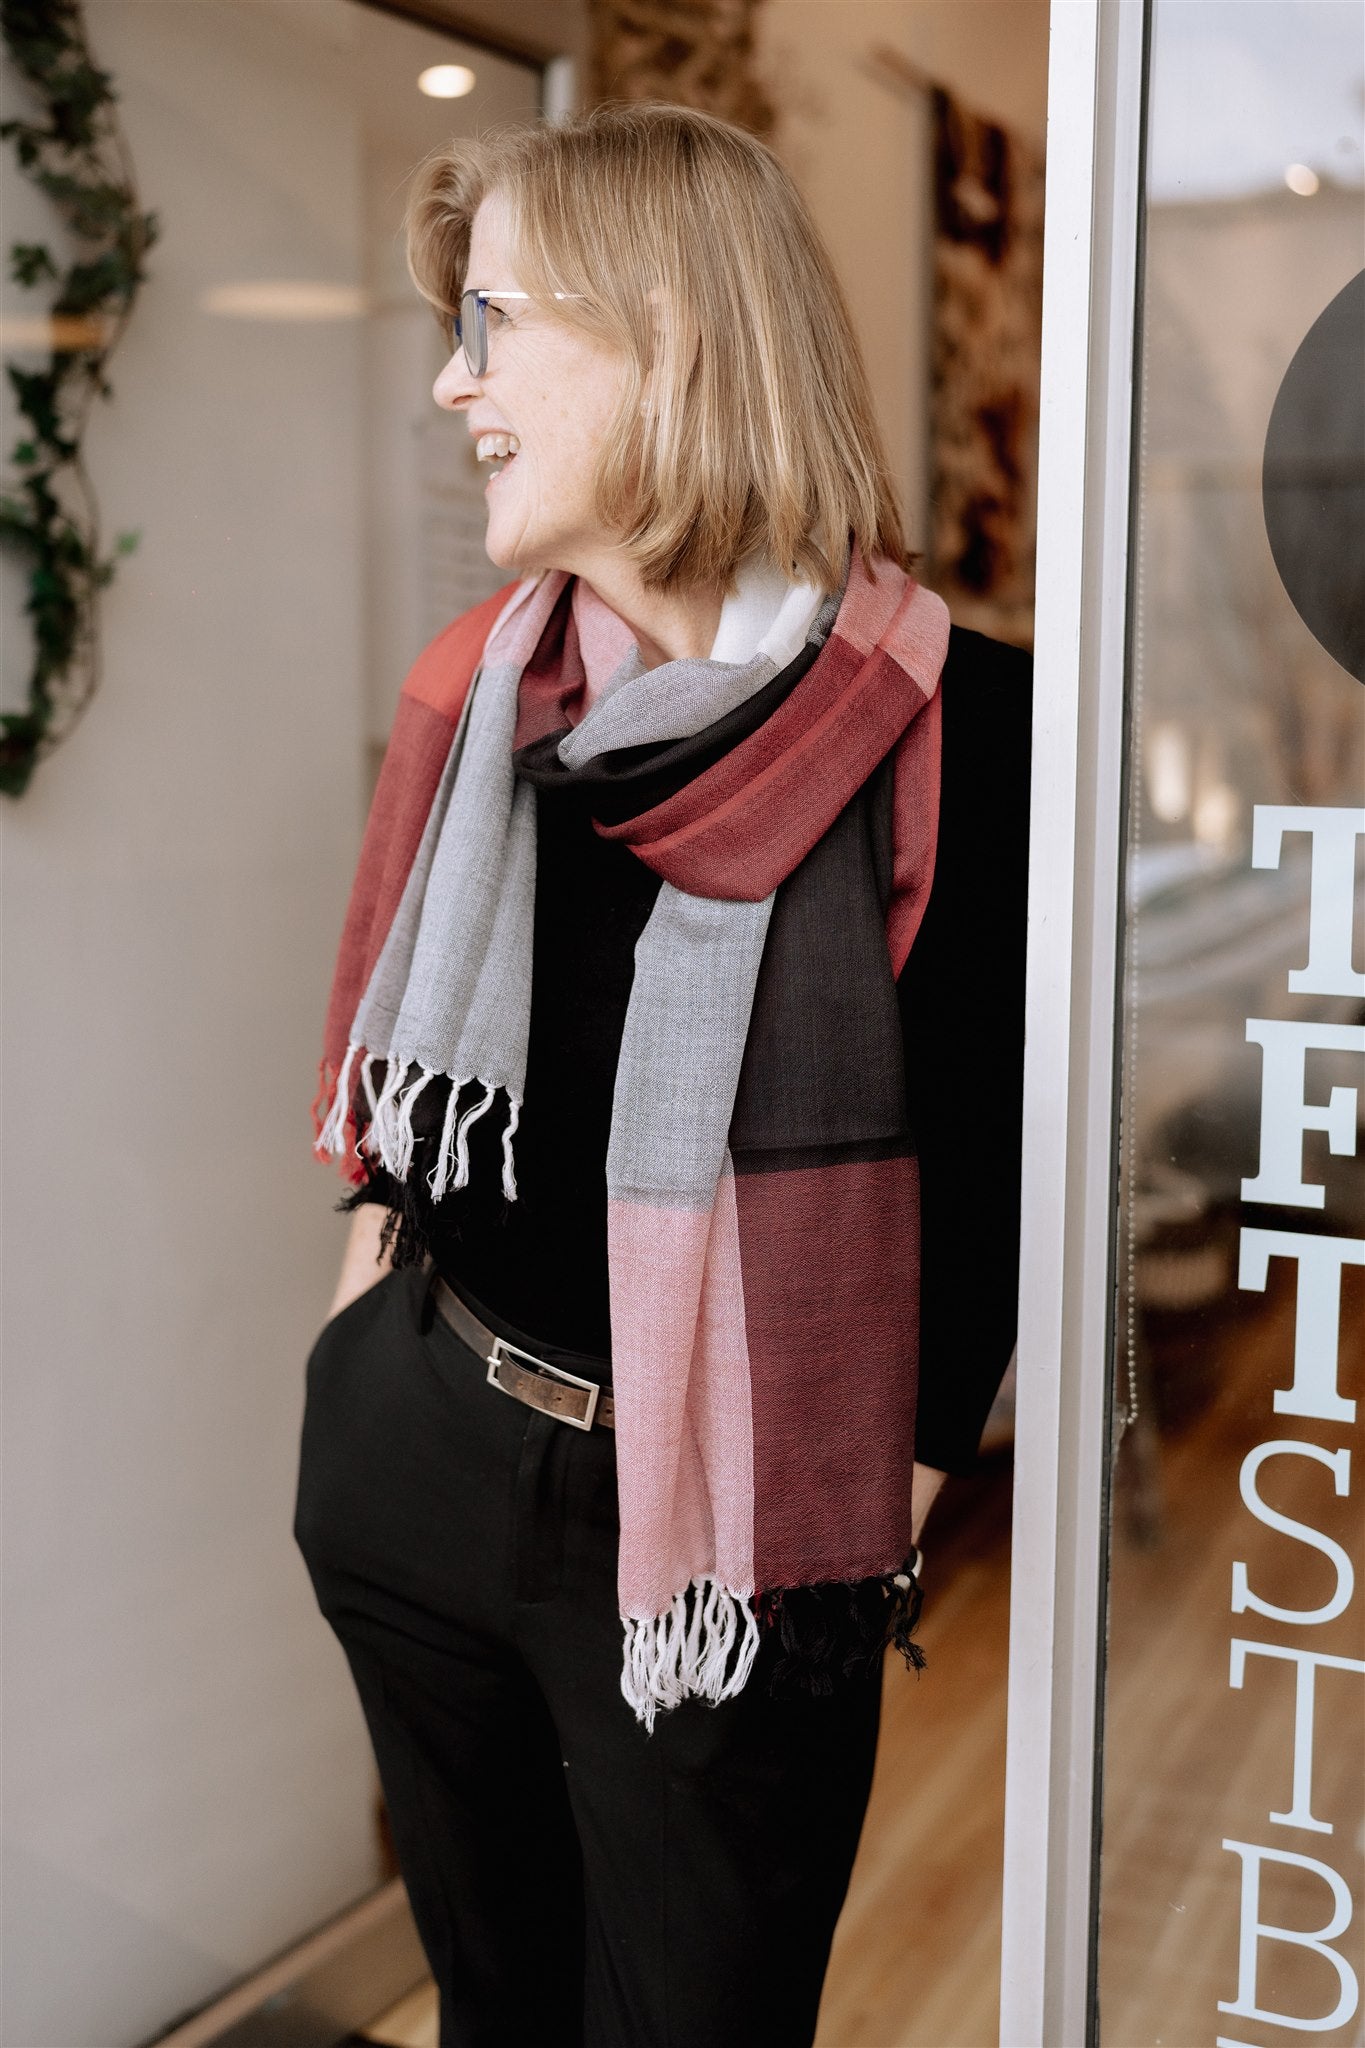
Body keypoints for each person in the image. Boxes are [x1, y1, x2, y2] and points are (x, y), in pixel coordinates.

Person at [294, 102, 1029, 2048]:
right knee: (491, 2013)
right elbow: (397, 1091)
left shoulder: (967, 726)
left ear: (669, 340)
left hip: (731, 1537)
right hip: (421, 1448)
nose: (454, 381)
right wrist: (360, 1344)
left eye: (492, 323)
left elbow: (992, 1171)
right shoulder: (484, 693)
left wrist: (858, 1516)